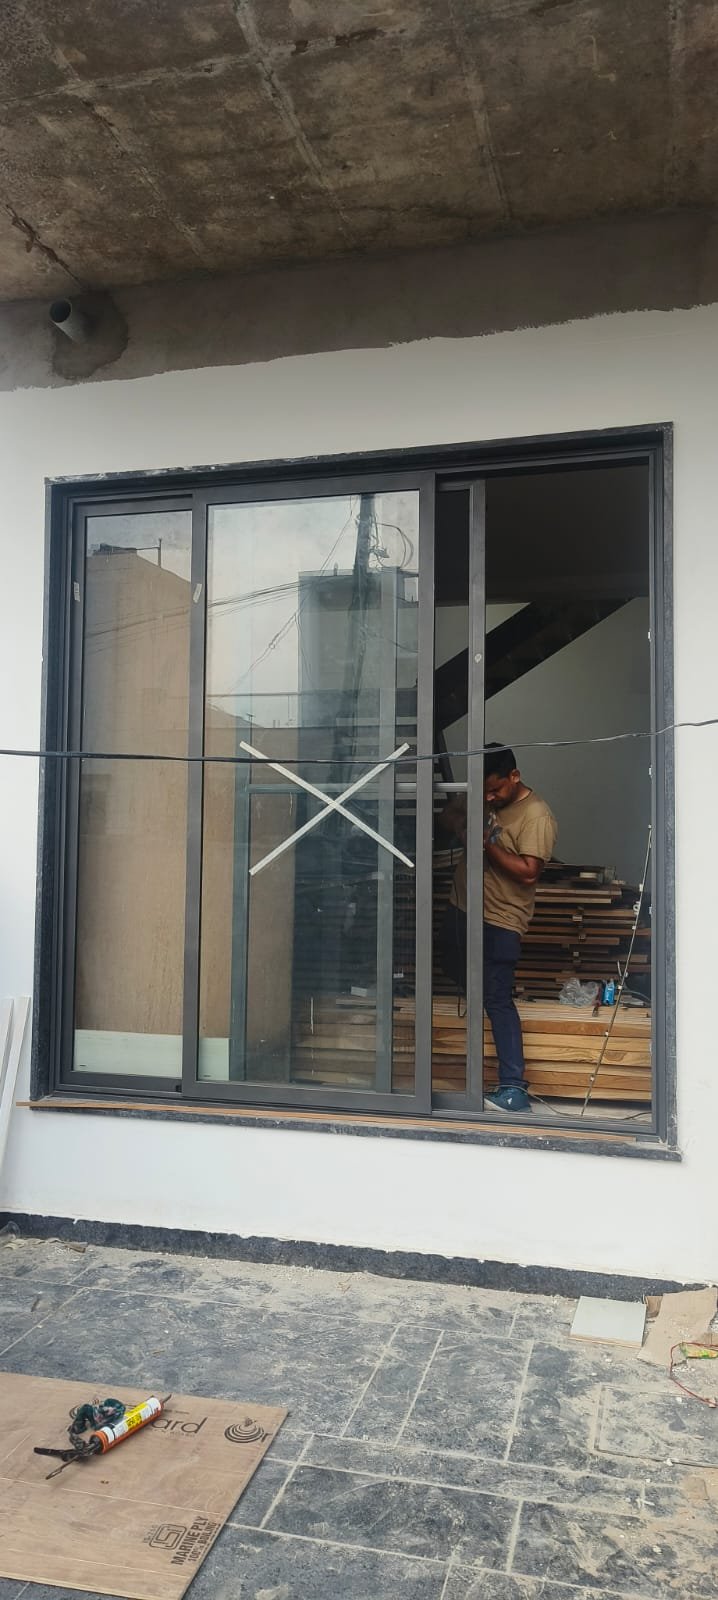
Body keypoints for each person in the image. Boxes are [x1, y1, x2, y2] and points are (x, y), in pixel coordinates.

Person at [439, 744, 557, 1113]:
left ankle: (513, 1088)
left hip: (501, 920)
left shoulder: (536, 815)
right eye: (484, 791)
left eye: (495, 790)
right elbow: (447, 816)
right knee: (448, 963)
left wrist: (486, 845)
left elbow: (529, 872)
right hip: (463, 907)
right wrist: (462, 826)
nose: (489, 798)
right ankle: (483, 1013)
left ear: (514, 777)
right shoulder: (483, 796)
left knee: (496, 999)